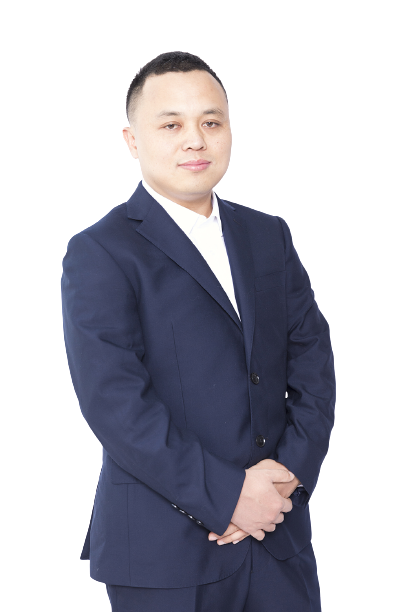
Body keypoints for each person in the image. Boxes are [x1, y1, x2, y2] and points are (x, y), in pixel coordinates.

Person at [61, 51, 335, 611]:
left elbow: (313, 362)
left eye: (212, 122)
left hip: (279, 538)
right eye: (172, 125)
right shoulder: (100, 251)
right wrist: (229, 497)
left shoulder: (269, 234)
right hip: (164, 553)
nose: (196, 140)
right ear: (132, 140)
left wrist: (287, 477)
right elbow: (115, 403)